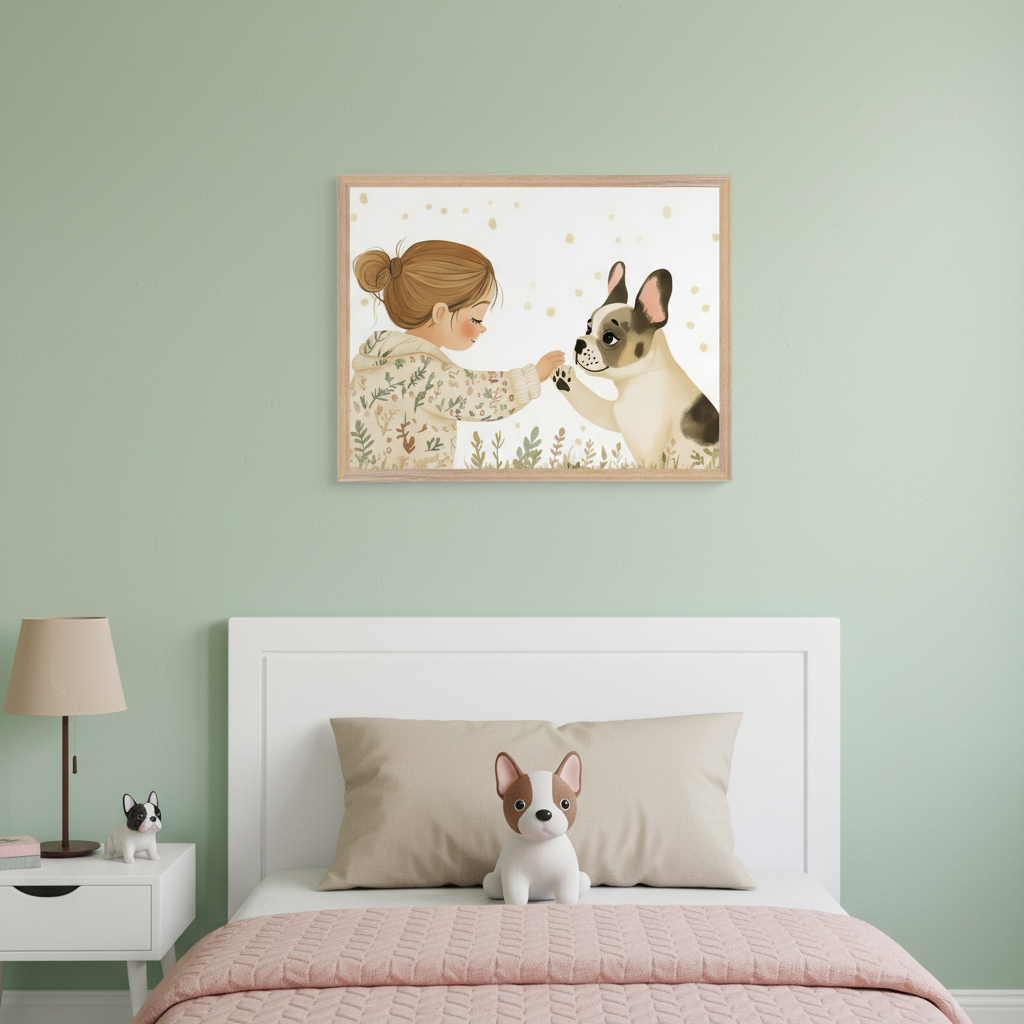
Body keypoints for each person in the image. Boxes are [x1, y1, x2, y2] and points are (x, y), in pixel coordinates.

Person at [347, 240, 564, 470]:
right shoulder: (424, 371)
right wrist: (533, 376)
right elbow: (480, 395)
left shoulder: (375, 362)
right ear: (440, 313)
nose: (483, 328)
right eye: (476, 319)